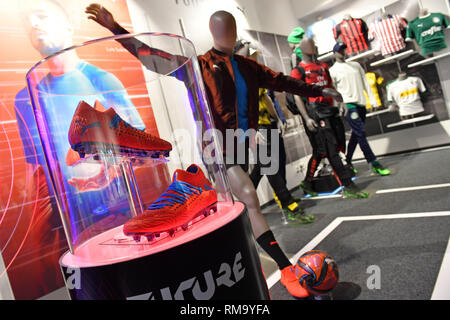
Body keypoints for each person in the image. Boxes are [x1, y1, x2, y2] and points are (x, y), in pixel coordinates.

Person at [85, 3, 344, 299]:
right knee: (247, 197)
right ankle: (285, 269)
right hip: (215, 143)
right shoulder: (199, 65)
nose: (229, 33)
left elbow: (284, 82)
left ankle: (242, 261)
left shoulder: (249, 67)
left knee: (235, 205)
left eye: (232, 27)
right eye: (223, 28)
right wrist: (116, 29)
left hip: (242, 143)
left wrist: (320, 91)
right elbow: (153, 58)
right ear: (213, 31)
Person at [233, 41, 313, 224]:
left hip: (266, 124)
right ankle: (288, 203)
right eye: (248, 55)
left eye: (252, 55)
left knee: (267, 165)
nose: (253, 58)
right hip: (253, 128)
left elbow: (266, 98)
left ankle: (244, 204)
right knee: (269, 164)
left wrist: (277, 119)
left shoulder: (251, 73)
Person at [290, 37, 369, 199]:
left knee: (333, 146)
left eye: (313, 44)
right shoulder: (298, 71)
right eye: (308, 45)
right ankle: (348, 185)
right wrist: (306, 117)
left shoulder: (323, 66)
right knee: (331, 149)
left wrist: (340, 101)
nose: (312, 47)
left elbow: (330, 86)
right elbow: (297, 96)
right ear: (302, 49)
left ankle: (307, 182)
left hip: (330, 110)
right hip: (315, 112)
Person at [329, 43, 391, 176]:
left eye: (343, 49)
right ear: (334, 53)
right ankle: (374, 163)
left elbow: (366, 83)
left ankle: (348, 161)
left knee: (357, 134)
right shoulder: (332, 71)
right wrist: (338, 106)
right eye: (339, 50)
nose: (342, 52)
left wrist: (373, 100)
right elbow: (333, 91)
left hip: (361, 103)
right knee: (361, 133)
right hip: (349, 105)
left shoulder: (355, 65)